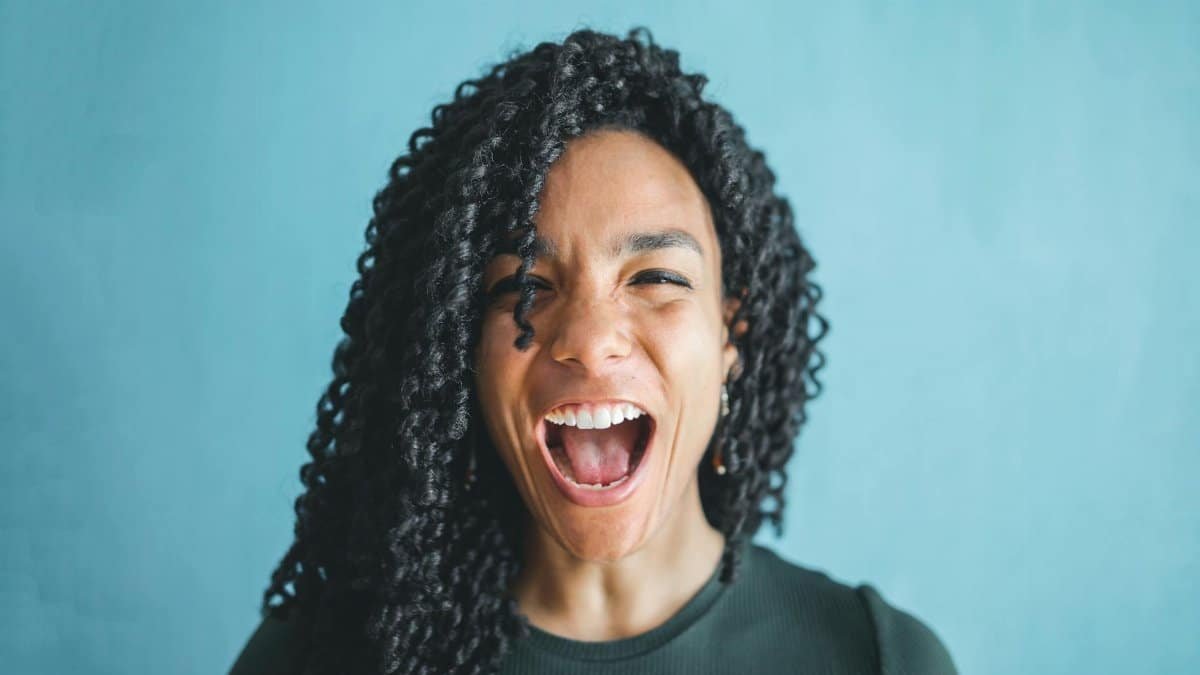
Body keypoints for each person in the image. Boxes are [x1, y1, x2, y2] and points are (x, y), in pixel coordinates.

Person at [229, 26, 958, 675]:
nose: (589, 339)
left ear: (731, 336)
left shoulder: (879, 658)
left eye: (657, 277)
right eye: (523, 285)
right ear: (458, 353)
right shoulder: (316, 658)